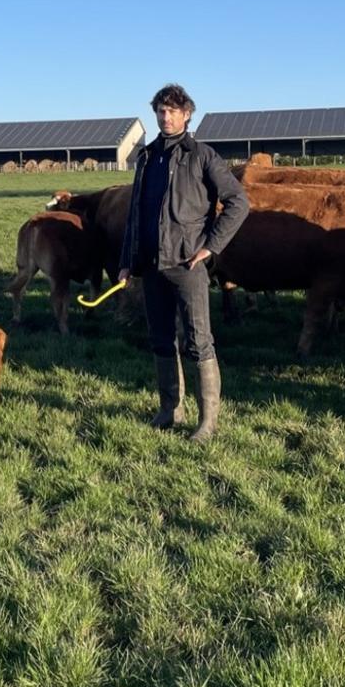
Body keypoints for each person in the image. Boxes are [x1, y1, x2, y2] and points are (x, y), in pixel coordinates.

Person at [118, 84, 249, 442]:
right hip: (151, 265)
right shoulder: (146, 157)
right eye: (161, 110)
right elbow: (135, 215)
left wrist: (211, 246)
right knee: (160, 338)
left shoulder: (202, 156)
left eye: (173, 111)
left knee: (198, 341)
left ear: (187, 114)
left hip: (187, 265)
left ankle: (207, 422)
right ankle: (169, 410)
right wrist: (127, 261)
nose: (166, 116)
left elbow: (238, 203)